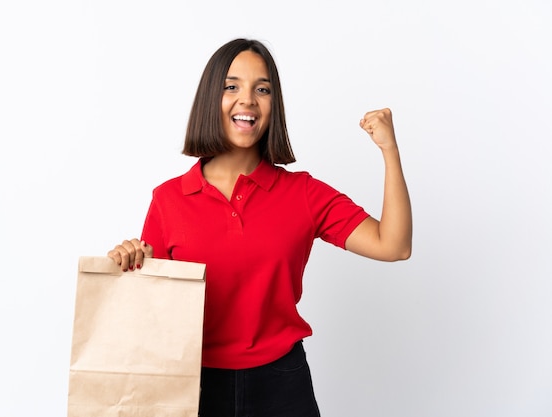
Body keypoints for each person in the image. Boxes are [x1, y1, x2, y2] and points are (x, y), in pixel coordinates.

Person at [107, 38, 412, 417]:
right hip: (190, 383)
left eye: (262, 89)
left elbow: (394, 245)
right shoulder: (169, 199)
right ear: (209, 100)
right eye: (231, 86)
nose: (247, 99)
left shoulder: (303, 193)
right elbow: (151, 311)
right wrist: (130, 263)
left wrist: (389, 151)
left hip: (283, 385)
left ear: (273, 106)